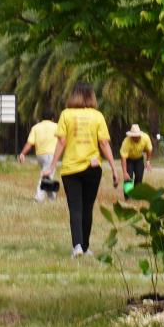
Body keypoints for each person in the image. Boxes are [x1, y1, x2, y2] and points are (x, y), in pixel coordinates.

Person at [42, 83, 119, 257]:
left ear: (73, 96)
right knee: (87, 207)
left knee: (75, 208)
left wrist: (51, 167)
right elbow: (104, 143)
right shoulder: (97, 116)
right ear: (91, 96)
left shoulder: (65, 115)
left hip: (71, 169)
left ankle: (77, 246)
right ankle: (85, 247)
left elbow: (62, 142)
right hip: (92, 168)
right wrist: (114, 169)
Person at [18, 115, 60, 202]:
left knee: (48, 177)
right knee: (45, 176)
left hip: (40, 155)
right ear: (52, 118)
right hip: (51, 154)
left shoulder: (36, 127)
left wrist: (22, 153)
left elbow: (29, 143)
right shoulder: (57, 126)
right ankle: (38, 198)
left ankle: (52, 198)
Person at [120, 123, 154, 196]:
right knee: (128, 177)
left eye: (136, 136)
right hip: (129, 159)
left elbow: (149, 149)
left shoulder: (145, 138)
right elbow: (123, 158)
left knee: (139, 177)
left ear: (139, 135)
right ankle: (128, 196)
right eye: (133, 136)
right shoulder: (126, 141)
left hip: (139, 159)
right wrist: (125, 172)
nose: (134, 137)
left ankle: (136, 195)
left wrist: (148, 161)